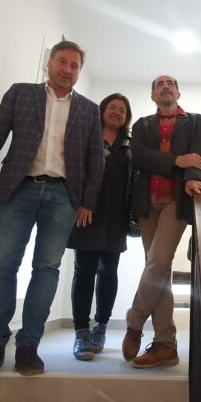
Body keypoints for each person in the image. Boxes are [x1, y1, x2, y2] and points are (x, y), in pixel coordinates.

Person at [0, 40, 104, 376]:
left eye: (74, 66)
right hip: (19, 189)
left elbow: (95, 160)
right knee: (2, 264)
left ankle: (29, 346)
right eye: (62, 62)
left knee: (47, 268)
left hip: (63, 195)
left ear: (79, 72)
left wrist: (88, 201)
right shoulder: (21, 93)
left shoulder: (89, 110)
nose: (67, 70)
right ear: (50, 63)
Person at [121, 75, 201, 369]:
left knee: (157, 262)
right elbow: (140, 156)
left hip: (175, 200)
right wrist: (176, 161)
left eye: (170, 83)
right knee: (159, 269)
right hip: (147, 202)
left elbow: (198, 157)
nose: (166, 87)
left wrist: (192, 176)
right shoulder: (142, 125)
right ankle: (166, 345)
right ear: (153, 96)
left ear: (178, 93)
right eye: (160, 84)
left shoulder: (197, 122)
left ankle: (134, 322)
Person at [67, 93, 133, 361]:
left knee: (109, 271)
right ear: (102, 110)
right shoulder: (87, 136)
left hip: (116, 216)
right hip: (87, 211)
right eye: (112, 107)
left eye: (122, 110)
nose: (117, 112)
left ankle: (100, 326)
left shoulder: (130, 145)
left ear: (127, 117)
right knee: (84, 270)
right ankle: (81, 332)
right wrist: (81, 203)